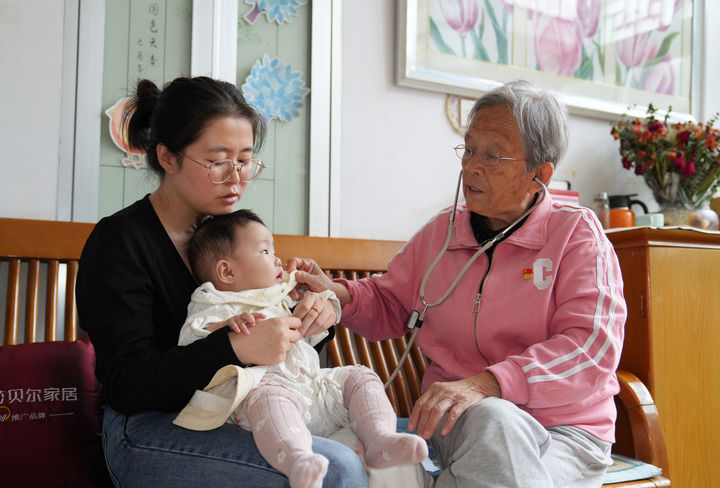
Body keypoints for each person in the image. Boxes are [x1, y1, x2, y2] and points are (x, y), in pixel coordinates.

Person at [290, 80, 627, 488]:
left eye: (492, 156)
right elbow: (390, 301)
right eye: (468, 150)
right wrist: (335, 293)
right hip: (456, 428)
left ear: (539, 174)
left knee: (494, 422)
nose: (471, 167)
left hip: (562, 434)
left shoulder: (576, 235)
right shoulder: (444, 233)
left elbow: (590, 348)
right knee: (353, 448)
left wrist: (489, 384)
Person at [76, 76, 368, 487]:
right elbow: (127, 382)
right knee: (338, 467)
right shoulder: (121, 241)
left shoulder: (232, 237)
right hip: (147, 426)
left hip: (243, 412)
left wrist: (310, 319)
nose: (236, 178)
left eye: (245, 160)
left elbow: (284, 364)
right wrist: (234, 347)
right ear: (167, 157)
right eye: (218, 162)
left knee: (368, 444)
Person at [175, 209, 428, 488]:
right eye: (265, 251)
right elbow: (190, 342)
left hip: (313, 391)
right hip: (269, 402)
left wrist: (320, 305)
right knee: (268, 396)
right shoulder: (214, 302)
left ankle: (380, 438)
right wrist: (224, 328)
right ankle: (298, 460)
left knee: (359, 376)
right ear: (227, 271)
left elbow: (315, 329)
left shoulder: (282, 297)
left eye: (274, 251)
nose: (277, 259)